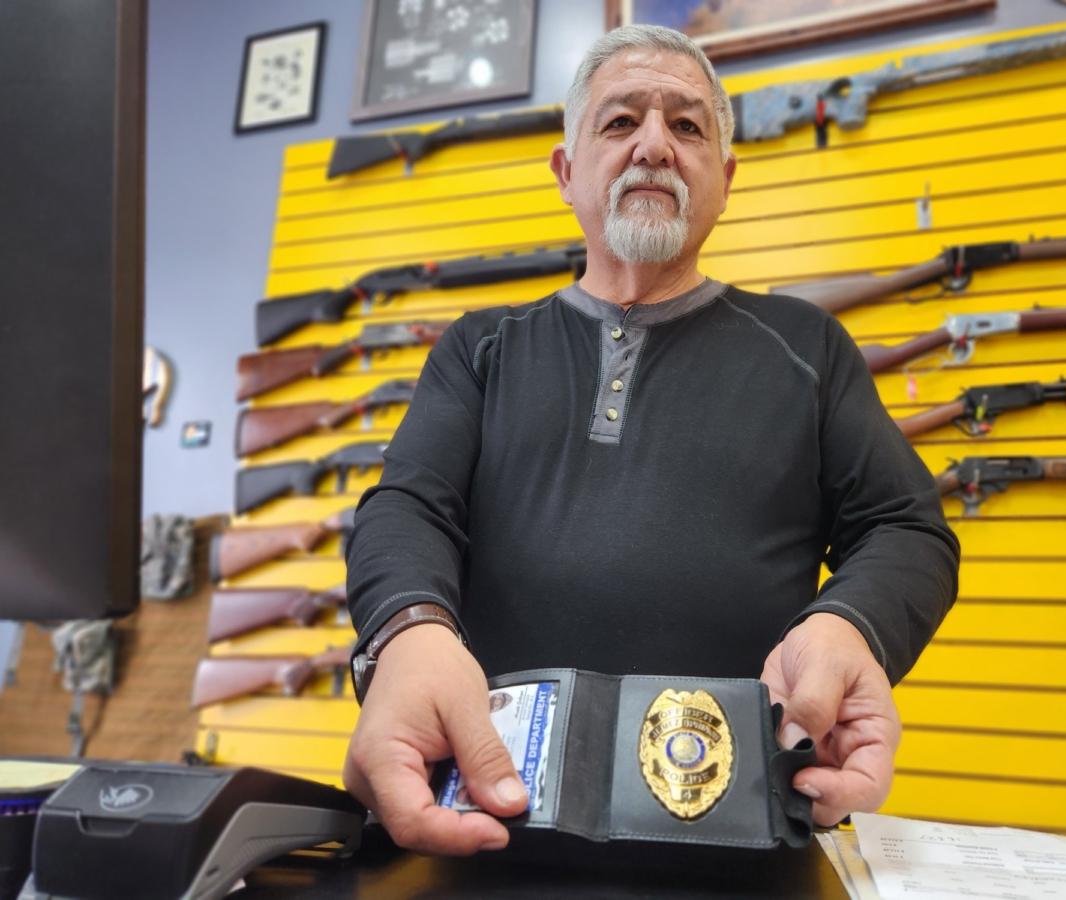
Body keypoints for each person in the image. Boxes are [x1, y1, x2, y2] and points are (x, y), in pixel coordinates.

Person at [342, 24, 959, 857]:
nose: (655, 146)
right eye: (620, 121)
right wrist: (409, 631)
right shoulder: (480, 348)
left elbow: (907, 528)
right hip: (479, 820)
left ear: (725, 179)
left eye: (688, 125)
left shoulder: (807, 348)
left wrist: (851, 627)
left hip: (744, 830)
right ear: (567, 172)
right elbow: (407, 507)